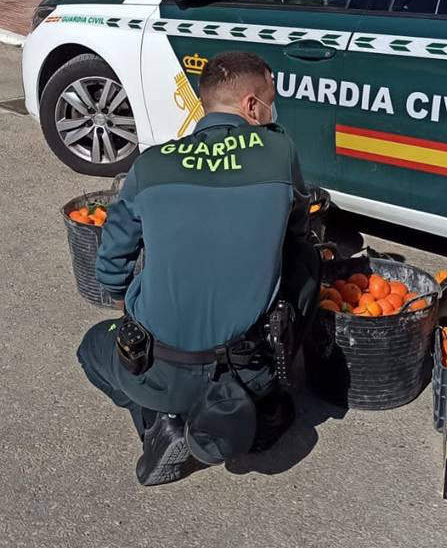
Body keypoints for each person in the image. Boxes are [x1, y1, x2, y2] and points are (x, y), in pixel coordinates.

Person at [77, 51, 317, 486]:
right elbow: (298, 227)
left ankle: (161, 421)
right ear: (250, 106)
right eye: (269, 98)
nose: (271, 108)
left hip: (158, 365)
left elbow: (113, 259)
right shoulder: (279, 152)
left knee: (92, 346)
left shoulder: (151, 165)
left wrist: (119, 293)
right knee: (307, 259)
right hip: (251, 366)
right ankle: (251, 409)